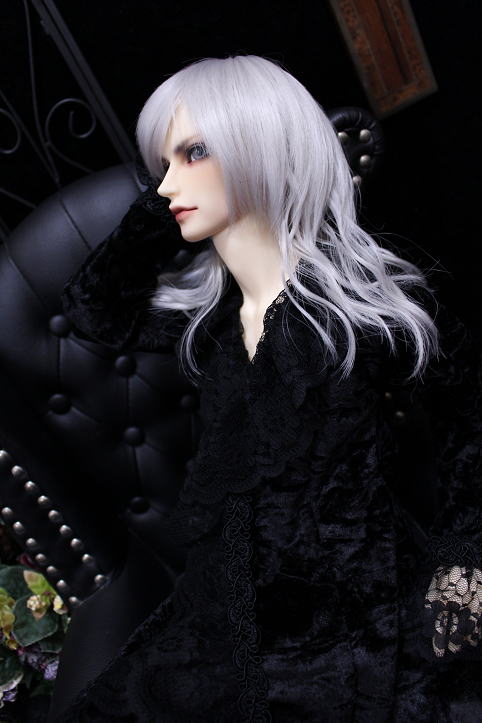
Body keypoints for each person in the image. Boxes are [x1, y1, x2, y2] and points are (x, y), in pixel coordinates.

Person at [56, 55, 481, 722]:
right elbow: (93, 312)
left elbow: (469, 420)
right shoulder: (208, 325)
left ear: (261, 148)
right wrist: (163, 204)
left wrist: (461, 570)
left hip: (355, 622)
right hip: (222, 617)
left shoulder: (362, 313)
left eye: (195, 152)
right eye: (162, 162)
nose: (168, 183)